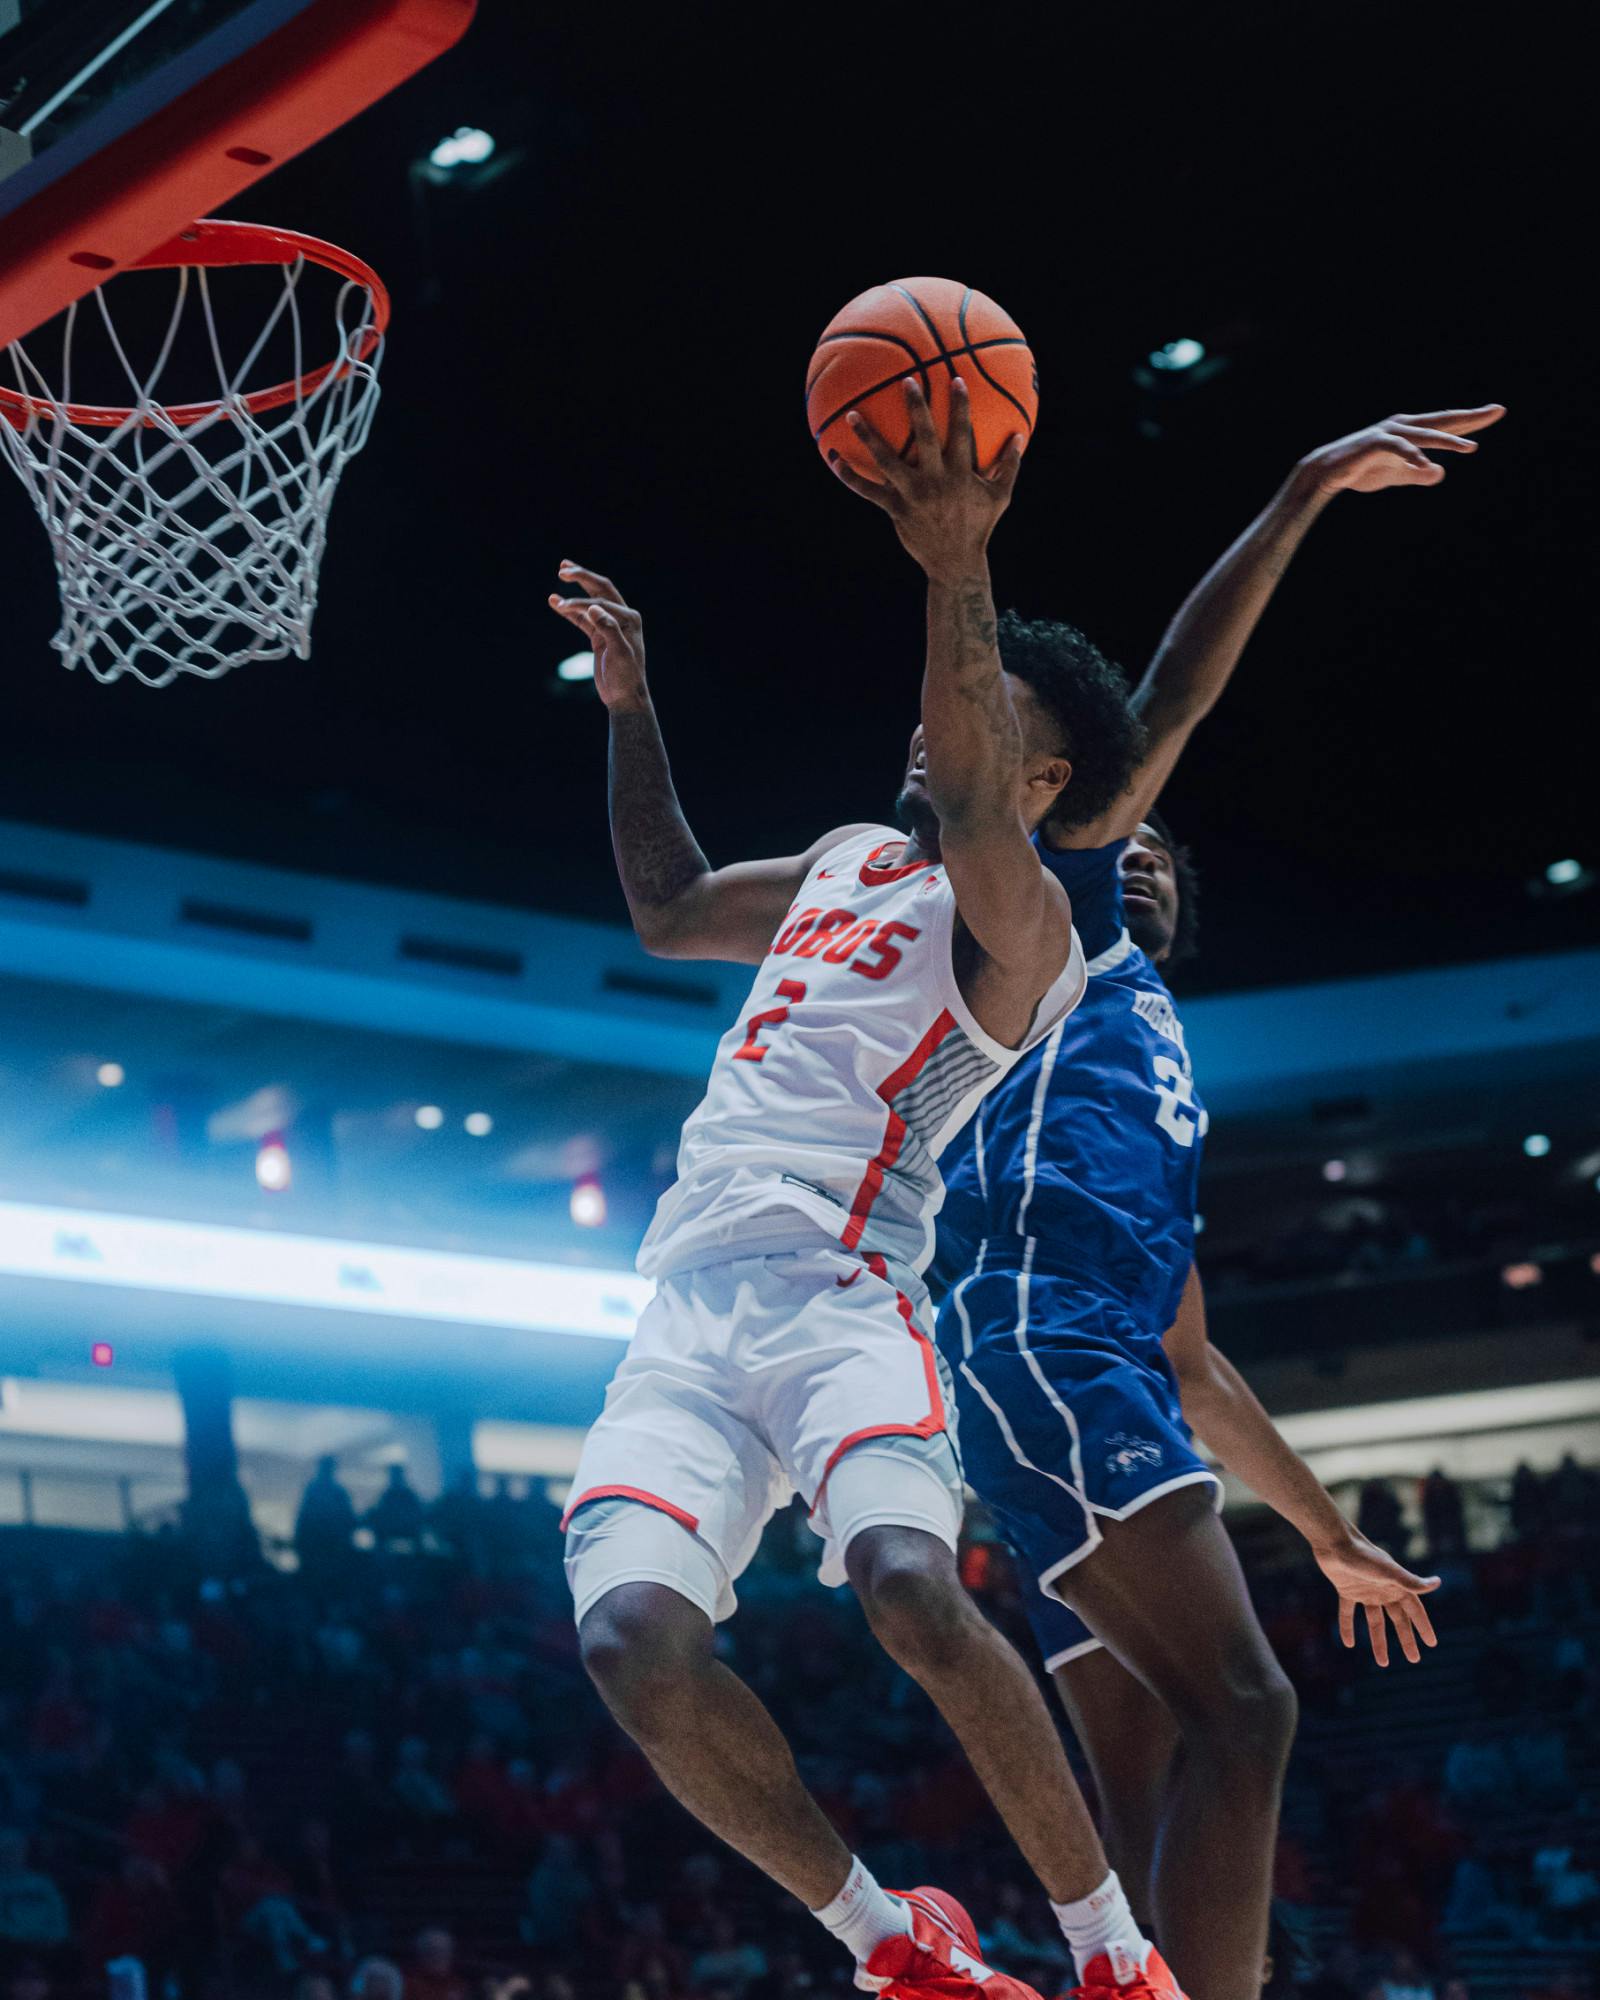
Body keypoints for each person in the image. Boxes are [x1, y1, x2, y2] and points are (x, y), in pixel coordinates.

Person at [551, 377, 1178, 2000]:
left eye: (982, 724)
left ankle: (1112, 1951)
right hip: (685, 1313)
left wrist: (955, 557)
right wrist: (633, 709)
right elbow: (674, 907)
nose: (933, 731)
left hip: (848, 1300)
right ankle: (891, 1942)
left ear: (1042, 786)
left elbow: (971, 784)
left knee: (908, 1586)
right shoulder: (844, 855)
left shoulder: (1025, 926)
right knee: (629, 1644)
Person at [933, 402, 1504, 2000]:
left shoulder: (1153, 1048)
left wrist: (1327, 1536)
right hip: (1040, 1345)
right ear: (1070, 796)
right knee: (1250, 1717)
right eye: (1130, 820)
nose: (1148, 847)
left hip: (1084, 1363)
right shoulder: (1047, 916)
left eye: (1160, 839)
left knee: (1153, 1798)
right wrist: (1303, 486)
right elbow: (1174, 692)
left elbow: (1197, 1364)